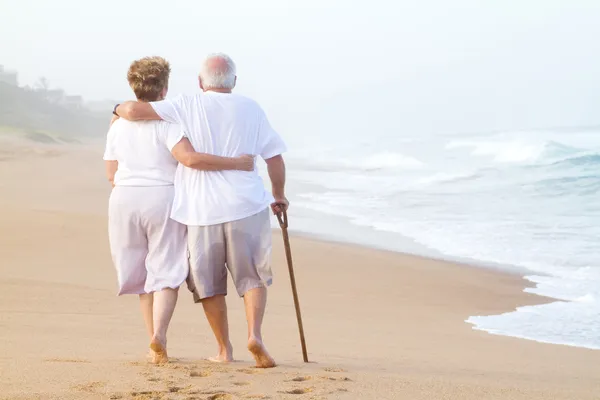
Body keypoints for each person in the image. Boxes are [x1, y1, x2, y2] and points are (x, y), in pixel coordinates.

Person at [114, 53, 288, 368]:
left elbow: (133, 110)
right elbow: (274, 156)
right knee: (252, 276)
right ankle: (255, 335)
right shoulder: (252, 108)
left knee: (208, 284)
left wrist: (115, 109)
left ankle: (224, 349)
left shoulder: (186, 104)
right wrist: (279, 195)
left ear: (199, 81)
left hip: (200, 210)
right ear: (234, 81)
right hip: (246, 205)